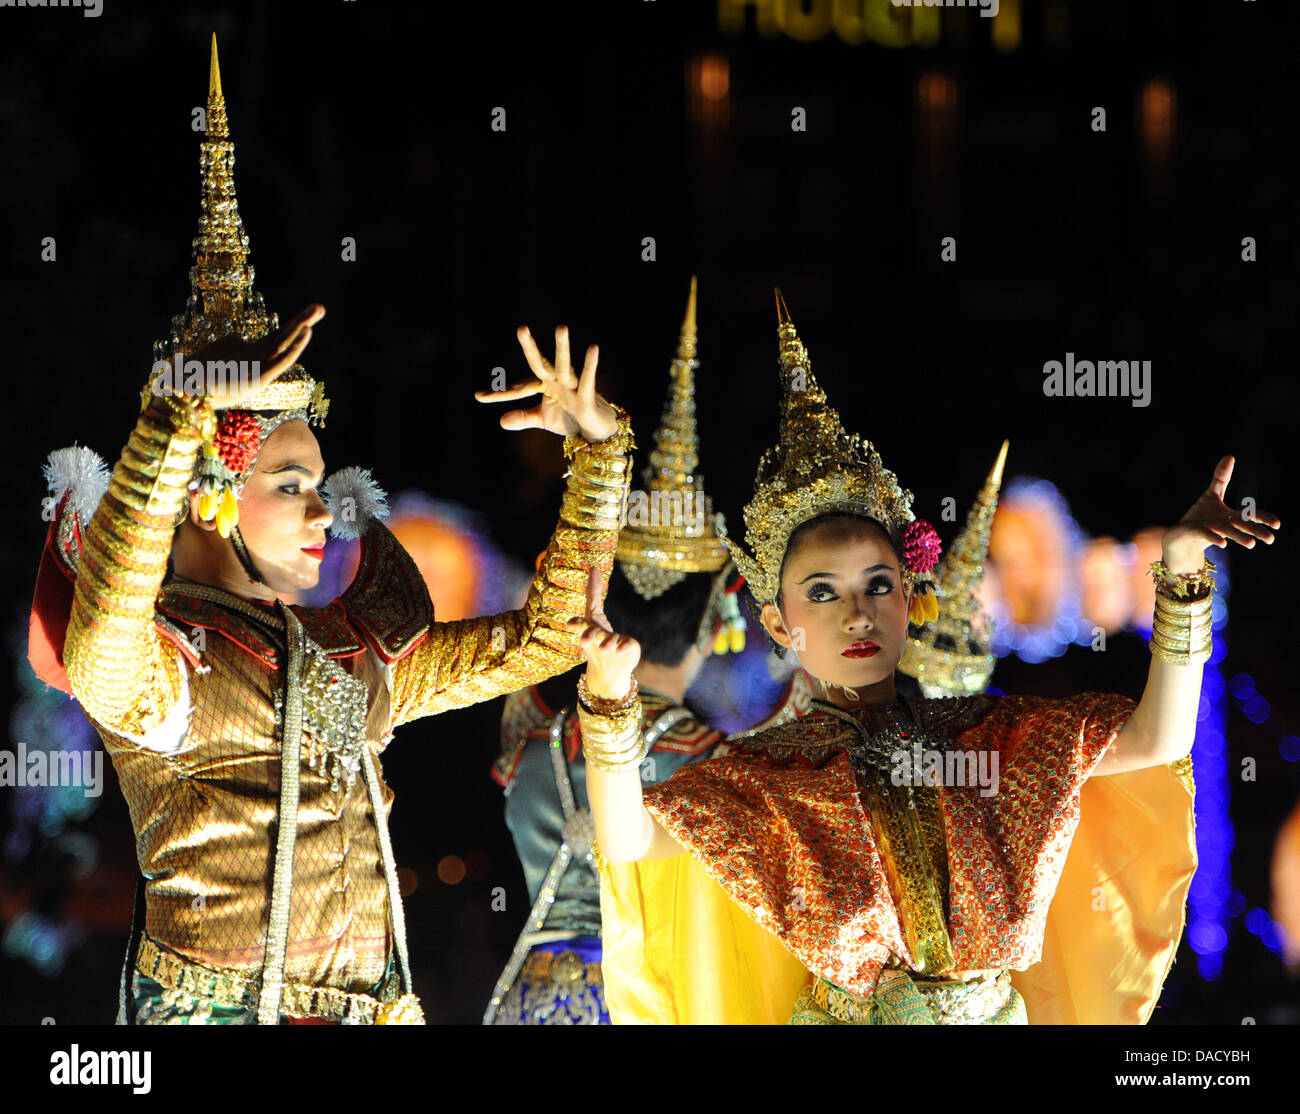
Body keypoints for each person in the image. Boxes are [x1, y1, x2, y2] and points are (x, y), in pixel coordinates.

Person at [26, 37, 634, 1025]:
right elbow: (100, 639)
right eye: (291, 481)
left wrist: (600, 461)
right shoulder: (163, 668)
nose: (324, 508)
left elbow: (548, 640)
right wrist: (176, 421)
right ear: (211, 490)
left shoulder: (349, 656)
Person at [570, 292, 1281, 1024]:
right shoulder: (766, 778)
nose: (856, 612)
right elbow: (626, 836)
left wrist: (1185, 574)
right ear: (780, 625)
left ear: (910, 597)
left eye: (878, 585)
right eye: (823, 592)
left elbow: (1157, 739)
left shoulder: (990, 739)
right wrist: (607, 698)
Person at [483, 278, 809, 1024]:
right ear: (721, 612)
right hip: (649, 999)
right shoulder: (720, 767)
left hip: (527, 1003)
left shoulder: (529, 740)